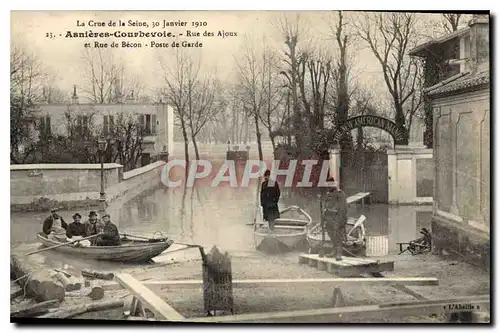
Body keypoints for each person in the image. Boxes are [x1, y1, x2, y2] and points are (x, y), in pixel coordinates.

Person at [321, 177, 348, 261]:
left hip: (337, 219)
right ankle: (334, 251)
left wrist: (341, 221)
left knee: (338, 236)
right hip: (328, 219)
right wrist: (323, 219)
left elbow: (343, 209)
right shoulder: (328, 194)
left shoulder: (340, 194)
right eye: (327, 185)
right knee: (331, 235)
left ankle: (339, 253)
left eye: (330, 185)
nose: (328, 187)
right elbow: (325, 207)